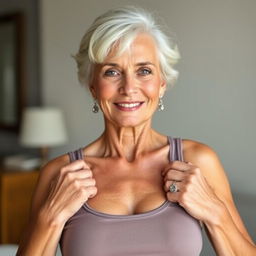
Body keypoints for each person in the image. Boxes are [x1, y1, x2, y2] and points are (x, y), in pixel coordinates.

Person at [17, 6, 255, 256]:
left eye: (144, 71)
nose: (129, 87)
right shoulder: (59, 174)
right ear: (93, 87)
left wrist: (215, 214)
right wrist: (51, 217)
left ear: (161, 84)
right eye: (112, 72)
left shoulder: (198, 161)